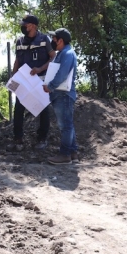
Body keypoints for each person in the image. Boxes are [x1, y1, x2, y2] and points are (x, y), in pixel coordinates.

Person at [11, 14, 56, 151]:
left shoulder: (44, 40)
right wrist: (13, 79)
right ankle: (18, 140)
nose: (23, 26)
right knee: (18, 109)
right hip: (23, 82)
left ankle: (42, 139)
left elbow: (53, 57)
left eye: (26, 24)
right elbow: (17, 61)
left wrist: (40, 69)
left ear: (34, 26)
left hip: (40, 82)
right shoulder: (19, 41)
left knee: (43, 110)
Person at [43, 28, 79, 165]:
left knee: (65, 126)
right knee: (67, 124)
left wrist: (50, 86)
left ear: (61, 40)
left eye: (54, 38)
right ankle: (73, 153)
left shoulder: (67, 54)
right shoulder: (64, 53)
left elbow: (62, 74)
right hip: (62, 94)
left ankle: (64, 155)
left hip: (63, 95)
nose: (52, 41)